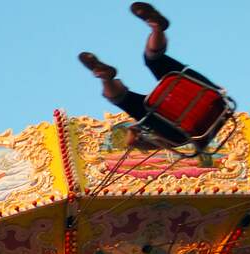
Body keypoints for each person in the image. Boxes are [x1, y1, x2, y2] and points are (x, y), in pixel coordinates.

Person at [77, 4, 223, 149]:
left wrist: (138, 140)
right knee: (153, 61)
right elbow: (161, 142)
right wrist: (139, 138)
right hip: (208, 98)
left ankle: (104, 77)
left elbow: (164, 143)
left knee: (128, 98)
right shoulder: (174, 129)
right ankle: (155, 27)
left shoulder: (173, 134)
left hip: (190, 121)